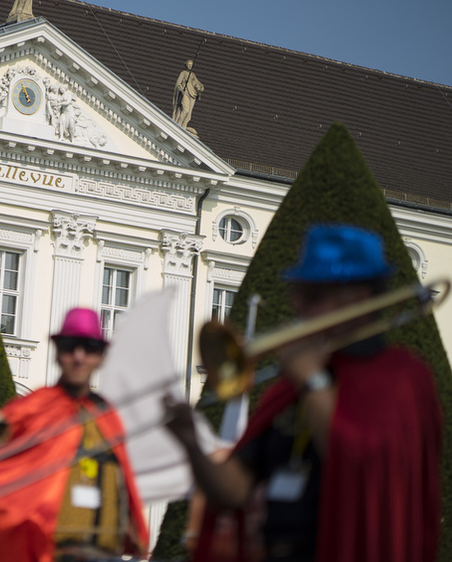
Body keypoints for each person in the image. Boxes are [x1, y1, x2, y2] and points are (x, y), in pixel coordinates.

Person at [165, 224, 442, 562]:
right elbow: (235, 490)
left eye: (313, 296)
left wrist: (312, 381)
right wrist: (190, 441)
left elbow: (362, 464)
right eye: (297, 293)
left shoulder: (400, 376)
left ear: (357, 297)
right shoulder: (293, 386)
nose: (297, 306)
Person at [0, 308, 149, 562]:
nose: (78, 357)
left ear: (100, 357)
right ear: (57, 353)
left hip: (106, 554)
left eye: (89, 348)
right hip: (51, 553)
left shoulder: (108, 416)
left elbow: (121, 479)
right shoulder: (32, 408)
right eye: (69, 347)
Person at [172, 59, 204, 129]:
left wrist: (200, 87)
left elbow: (197, 83)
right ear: (186, 65)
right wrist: (181, 89)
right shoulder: (183, 73)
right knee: (185, 111)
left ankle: (182, 126)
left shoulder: (192, 75)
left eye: (191, 65)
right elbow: (178, 83)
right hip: (185, 92)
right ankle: (178, 125)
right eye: (189, 65)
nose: (190, 66)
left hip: (191, 94)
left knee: (188, 113)